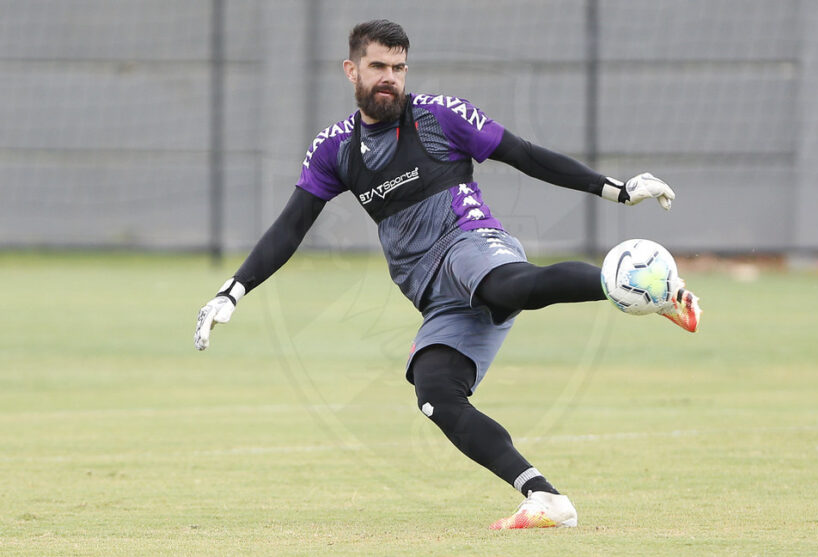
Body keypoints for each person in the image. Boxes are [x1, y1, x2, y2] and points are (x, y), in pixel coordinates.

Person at [194, 19, 701, 530]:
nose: (390, 77)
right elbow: (290, 227)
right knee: (436, 393)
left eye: (398, 67)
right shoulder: (335, 149)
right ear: (351, 71)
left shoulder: (439, 116)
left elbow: (523, 155)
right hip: (434, 292)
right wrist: (232, 292)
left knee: (505, 286)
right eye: (378, 67)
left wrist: (614, 189)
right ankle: (546, 498)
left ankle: (641, 285)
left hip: (471, 244)